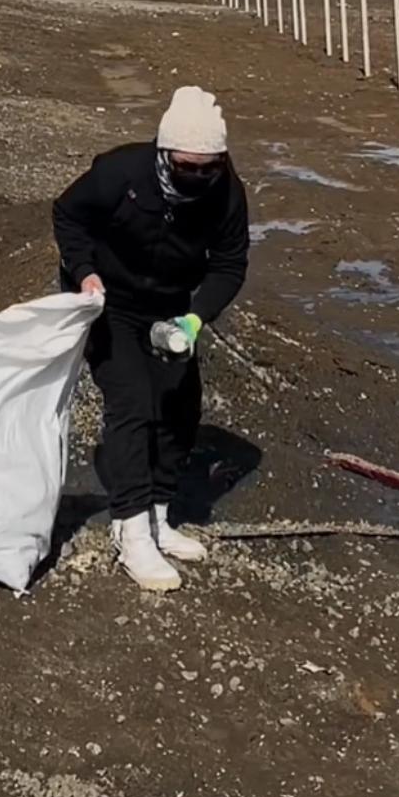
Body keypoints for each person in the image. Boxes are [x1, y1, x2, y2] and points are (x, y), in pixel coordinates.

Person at [53, 85, 249, 592]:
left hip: (172, 308)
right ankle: (132, 530)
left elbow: (230, 265)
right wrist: (83, 272)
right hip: (109, 299)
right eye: (188, 166)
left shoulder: (227, 192)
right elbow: (68, 215)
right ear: (165, 154)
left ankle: (160, 516)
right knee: (133, 401)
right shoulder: (120, 173)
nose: (201, 177)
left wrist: (196, 318)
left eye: (210, 167)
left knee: (180, 408)